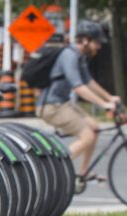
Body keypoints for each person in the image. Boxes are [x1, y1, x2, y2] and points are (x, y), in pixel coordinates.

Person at [36, 21, 121, 193]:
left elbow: (89, 82)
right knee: (87, 136)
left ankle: (83, 173)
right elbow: (78, 87)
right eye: (97, 42)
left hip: (63, 103)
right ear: (86, 40)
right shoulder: (69, 55)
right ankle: (54, 169)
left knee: (95, 128)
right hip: (51, 106)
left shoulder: (80, 57)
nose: (98, 47)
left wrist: (109, 97)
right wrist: (104, 104)